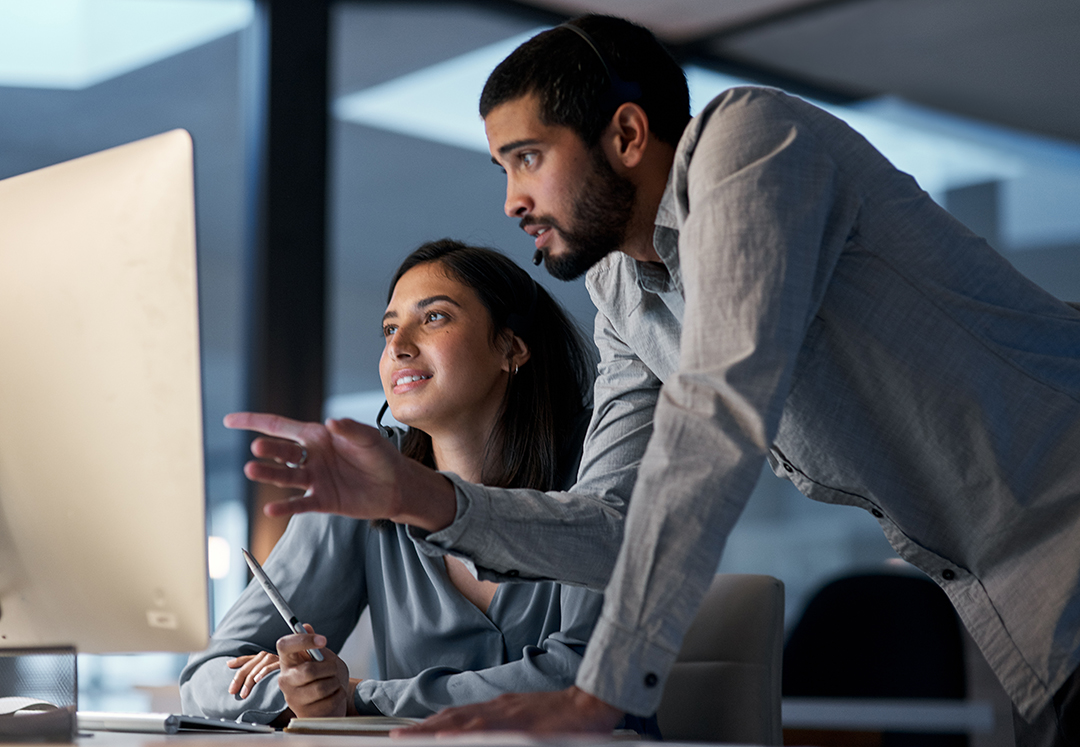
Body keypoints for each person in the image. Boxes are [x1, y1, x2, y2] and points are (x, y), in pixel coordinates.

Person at [233, 16, 1080, 747]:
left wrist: (596, 693)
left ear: (628, 136)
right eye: (502, 169)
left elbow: (717, 413)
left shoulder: (752, 143)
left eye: (526, 158)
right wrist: (424, 498)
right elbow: (610, 528)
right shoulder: (623, 294)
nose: (511, 201)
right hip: (1018, 604)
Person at [179, 239, 625, 726]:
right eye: (390, 328)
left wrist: (361, 697)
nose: (398, 344)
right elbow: (203, 680)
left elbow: (582, 679)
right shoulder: (363, 476)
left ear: (511, 347)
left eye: (434, 317)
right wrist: (293, 688)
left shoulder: (602, 463)